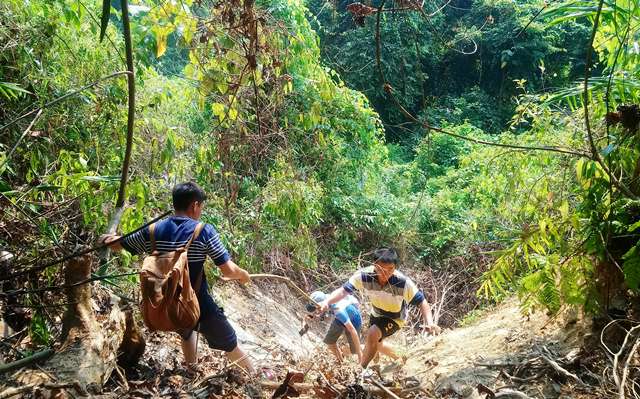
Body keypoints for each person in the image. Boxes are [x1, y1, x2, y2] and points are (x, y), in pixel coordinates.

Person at [102, 182, 254, 374]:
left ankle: (191, 372)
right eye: (201, 207)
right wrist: (243, 275)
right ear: (195, 206)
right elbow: (229, 271)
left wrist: (106, 239)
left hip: (166, 304)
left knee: (186, 329)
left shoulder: (153, 230)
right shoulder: (203, 231)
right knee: (229, 342)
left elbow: (119, 244)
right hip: (197, 303)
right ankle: (255, 379)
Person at [318, 248, 440, 370]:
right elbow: (344, 291)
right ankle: (403, 356)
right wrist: (327, 302)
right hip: (376, 313)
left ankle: (361, 370)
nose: (386, 273)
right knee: (377, 344)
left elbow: (422, 301)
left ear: (395, 267)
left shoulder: (403, 283)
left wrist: (430, 322)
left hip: (395, 317)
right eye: (382, 269)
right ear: (374, 265)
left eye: (390, 269)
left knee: (373, 333)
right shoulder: (364, 276)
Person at [306, 290, 363, 363]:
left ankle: (370, 348)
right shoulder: (327, 298)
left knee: (354, 350)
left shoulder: (338, 309)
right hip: (340, 318)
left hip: (354, 320)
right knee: (329, 341)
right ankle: (341, 362)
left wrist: (359, 355)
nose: (317, 311)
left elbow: (352, 330)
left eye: (317, 308)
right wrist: (317, 315)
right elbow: (325, 310)